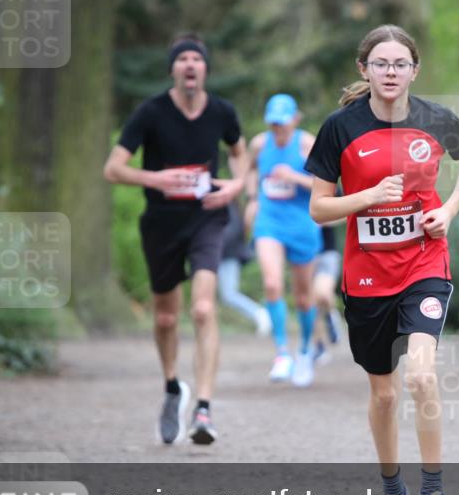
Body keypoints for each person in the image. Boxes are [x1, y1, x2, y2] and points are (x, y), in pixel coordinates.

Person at [306, 25, 459, 495]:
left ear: (414, 70)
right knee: (384, 395)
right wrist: (364, 198)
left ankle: (433, 492)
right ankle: (392, 491)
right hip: (366, 275)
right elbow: (318, 208)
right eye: (381, 64)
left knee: (422, 377)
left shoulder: (435, 119)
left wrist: (448, 210)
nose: (391, 72)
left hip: (424, 263)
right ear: (365, 70)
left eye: (400, 64)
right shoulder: (340, 127)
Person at [103, 34, 247, 445]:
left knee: (203, 309)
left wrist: (237, 185)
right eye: (181, 59)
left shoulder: (222, 111)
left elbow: (238, 152)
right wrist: (155, 179)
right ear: (173, 69)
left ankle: (203, 409)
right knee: (166, 317)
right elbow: (113, 169)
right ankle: (172, 388)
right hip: (162, 222)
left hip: (207, 218)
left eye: (196, 59)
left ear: (204, 69)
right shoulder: (150, 113)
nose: (189, 65)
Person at [245, 94, 321, 388]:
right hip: (270, 222)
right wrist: (252, 197)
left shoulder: (306, 144)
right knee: (272, 284)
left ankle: (304, 351)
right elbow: (250, 170)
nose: (278, 129)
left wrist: (295, 176)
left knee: (303, 296)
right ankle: (281, 353)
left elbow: (330, 184)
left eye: (283, 123)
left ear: (295, 120)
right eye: (273, 124)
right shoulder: (259, 144)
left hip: (302, 225)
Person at [218, 201, 272, 337]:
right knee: (223, 295)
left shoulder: (227, 204)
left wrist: (213, 245)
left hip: (226, 254)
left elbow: (234, 230)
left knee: (229, 294)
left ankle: (259, 313)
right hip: (217, 254)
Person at [310, 223, 343, 365]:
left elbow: (346, 214)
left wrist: (323, 217)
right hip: (305, 254)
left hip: (327, 253)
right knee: (312, 302)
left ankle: (330, 315)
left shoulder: (329, 199)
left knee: (323, 294)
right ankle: (319, 346)